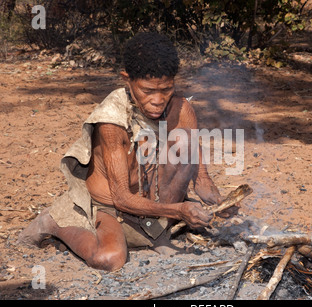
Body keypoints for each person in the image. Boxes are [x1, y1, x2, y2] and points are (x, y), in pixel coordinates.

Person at [18, 32, 235, 271]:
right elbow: (121, 198)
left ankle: (157, 231)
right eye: (147, 90)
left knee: (183, 144)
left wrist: (221, 203)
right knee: (109, 259)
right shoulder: (112, 122)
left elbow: (202, 179)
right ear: (127, 79)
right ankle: (53, 222)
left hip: (157, 206)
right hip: (114, 208)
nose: (158, 100)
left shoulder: (182, 110)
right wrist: (179, 210)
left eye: (166, 89)